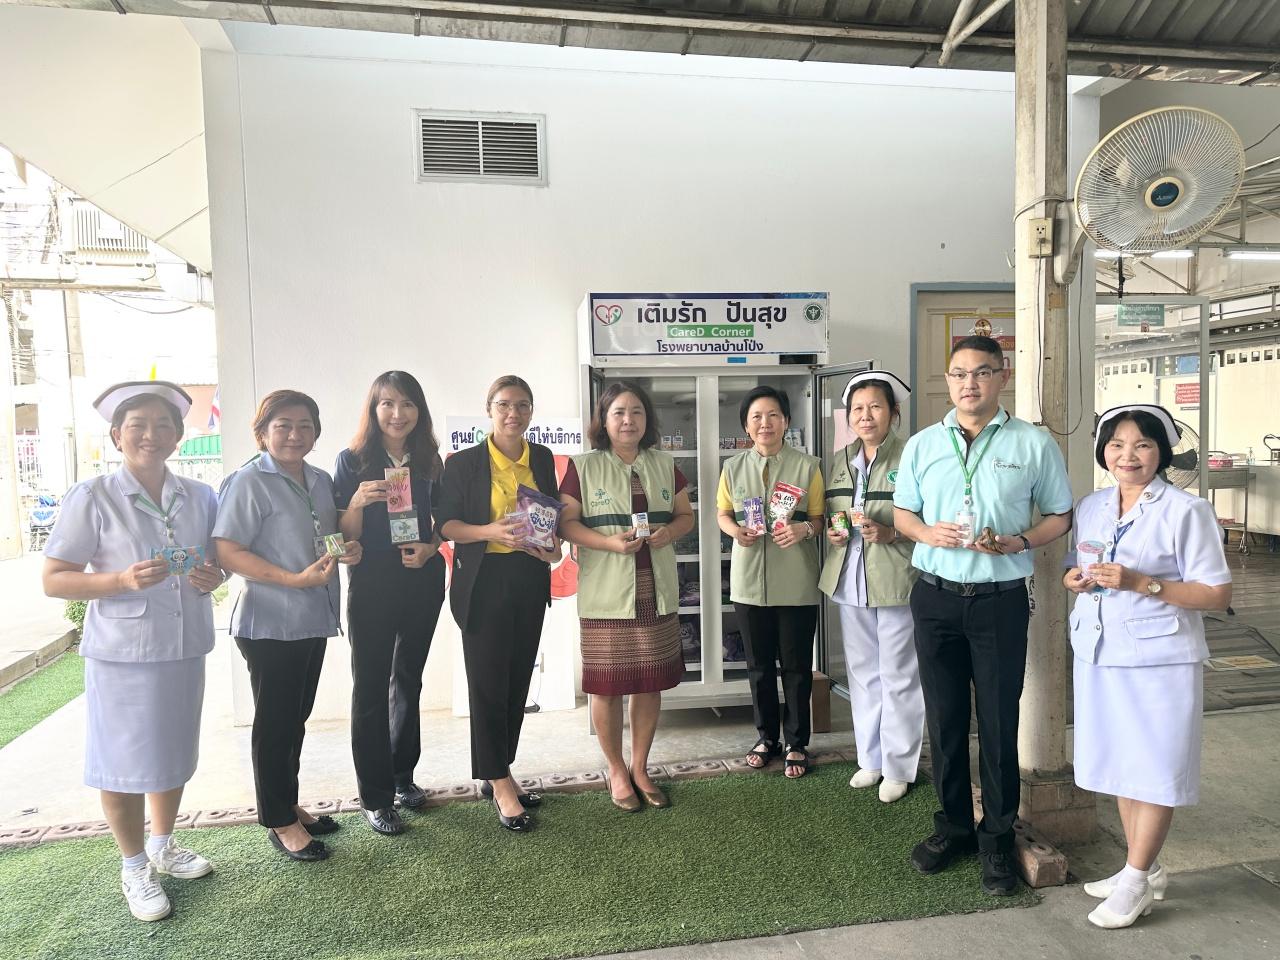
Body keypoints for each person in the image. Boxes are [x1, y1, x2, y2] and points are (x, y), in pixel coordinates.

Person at [892, 335, 1073, 896]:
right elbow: (902, 513)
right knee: (945, 719)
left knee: (997, 722)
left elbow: (1061, 515)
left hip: (999, 600)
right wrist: (927, 532)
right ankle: (952, 828)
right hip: (935, 598)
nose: (969, 383)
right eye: (959, 373)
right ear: (948, 380)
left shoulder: (1033, 443)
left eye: (982, 372)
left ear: (1003, 376)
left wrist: (1021, 539)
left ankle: (996, 840)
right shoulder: (923, 444)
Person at [42, 381, 223, 922]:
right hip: (122, 654)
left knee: (173, 750)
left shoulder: (201, 495)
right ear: (117, 436)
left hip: (183, 645)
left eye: (163, 425)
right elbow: (55, 578)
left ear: (178, 437)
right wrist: (119, 580)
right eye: (137, 426)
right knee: (120, 763)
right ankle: (134, 864)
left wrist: (215, 576)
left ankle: (164, 845)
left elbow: (218, 561)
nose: (151, 435)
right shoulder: (92, 496)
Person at [1065, 404, 1231, 929]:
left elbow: (1216, 593)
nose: (1128, 455)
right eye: (1117, 444)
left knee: (1155, 767)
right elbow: (1081, 564)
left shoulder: (1186, 511)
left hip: (1160, 658)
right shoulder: (1092, 506)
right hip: (1100, 650)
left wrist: (1143, 583)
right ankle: (1143, 867)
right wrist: (1076, 579)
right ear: (1103, 452)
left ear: (1161, 452)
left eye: (1142, 444)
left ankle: (1136, 881)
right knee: (1123, 762)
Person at [214, 389, 362, 861]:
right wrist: (293, 579)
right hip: (269, 623)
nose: (295, 435)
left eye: (304, 426)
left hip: (312, 618)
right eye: (283, 426)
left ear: (316, 433)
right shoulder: (248, 481)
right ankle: (278, 821)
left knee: (294, 720)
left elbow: (327, 536)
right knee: (276, 724)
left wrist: (348, 549)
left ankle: (288, 804)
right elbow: (228, 551)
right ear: (262, 433)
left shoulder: (319, 480)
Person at [434, 375, 561, 832]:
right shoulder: (464, 462)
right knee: (487, 684)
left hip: (529, 576)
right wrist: (490, 531)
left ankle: (500, 769)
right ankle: (499, 781)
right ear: (489, 410)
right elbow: (447, 525)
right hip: (484, 580)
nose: (514, 414)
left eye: (522, 405)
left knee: (516, 681)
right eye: (504, 405)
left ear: (531, 411)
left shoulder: (541, 457)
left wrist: (551, 549)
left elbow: (550, 520)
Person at [559, 382, 694, 812]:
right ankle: (616, 769)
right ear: (604, 420)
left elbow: (685, 515)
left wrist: (668, 532)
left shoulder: (664, 464)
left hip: (655, 590)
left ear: (647, 419)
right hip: (607, 592)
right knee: (607, 686)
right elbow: (566, 525)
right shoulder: (582, 466)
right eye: (618, 412)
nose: (628, 420)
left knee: (650, 683)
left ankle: (640, 767)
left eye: (636, 412)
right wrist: (608, 543)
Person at [334, 371, 445, 832]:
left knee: (409, 679)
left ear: (419, 410)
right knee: (370, 685)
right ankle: (375, 796)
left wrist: (432, 548)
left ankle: (403, 776)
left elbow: (445, 520)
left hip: (422, 576)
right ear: (374, 409)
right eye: (388, 404)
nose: (398, 414)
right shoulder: (352, 460)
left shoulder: (430, 459)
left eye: (408, 404)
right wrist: (357, 501)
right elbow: (344, 535)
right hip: (373, 580)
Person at [820, 371, 922, 804]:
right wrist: (834, 533)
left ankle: (899, 767)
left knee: (899, 675)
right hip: (850, 579)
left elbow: (930, 521)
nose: (866, 416)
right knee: (862, 674)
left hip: (897, 580)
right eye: (858, 409)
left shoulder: (913, 455)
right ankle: (871, 760)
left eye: (875, 407)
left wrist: (891, 533)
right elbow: (831, 513)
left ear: (893, 412)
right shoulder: (839, 459)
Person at [716, 385, 824, 779]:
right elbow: (722, 513)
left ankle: (797, 743)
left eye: (773, 415)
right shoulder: (733, 467)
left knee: (796, 666)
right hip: (748, 582)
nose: (766, 423)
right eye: (757, 417)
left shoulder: (808, 466)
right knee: (758, 666)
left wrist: (803, 530)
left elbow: (819, 519)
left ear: (787, 422)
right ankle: (766, 738)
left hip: (796, 581)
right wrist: (735, 531)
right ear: (746, 426)